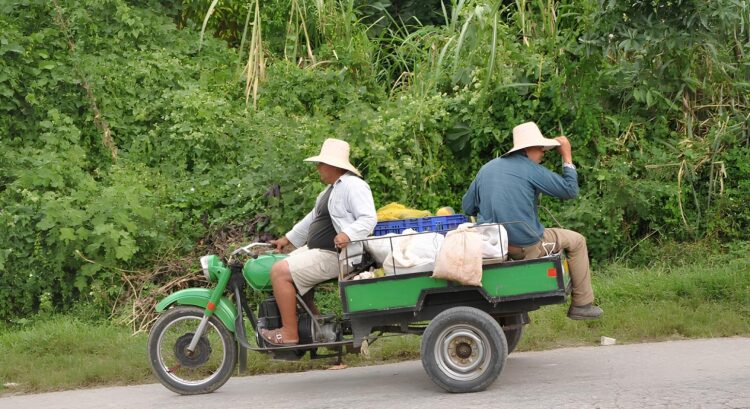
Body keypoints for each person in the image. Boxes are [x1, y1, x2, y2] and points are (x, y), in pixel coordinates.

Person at [461, 122, 603, 320]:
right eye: (540, 148)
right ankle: (582, 304)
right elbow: (570, 190)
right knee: (577, 240)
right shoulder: (530, 169)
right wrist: (567, 157)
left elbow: (467, 207)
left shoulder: (486, 169)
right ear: (527, 149)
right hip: (526, 246)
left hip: (493, 245)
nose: (543, 152)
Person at [261, 138, 377, 345]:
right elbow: (312, 219)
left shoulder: (354, 186)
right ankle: (315, 323)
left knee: (280, 272)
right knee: (277, 265)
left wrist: (347, 234)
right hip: (319, 250)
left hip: (339, 255)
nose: (317, 168)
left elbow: (369, 218)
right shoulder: (329, 191)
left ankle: (289, 333)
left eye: (321, 164)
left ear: (333, 165)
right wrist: (287, 238)